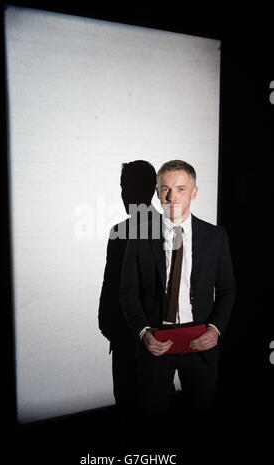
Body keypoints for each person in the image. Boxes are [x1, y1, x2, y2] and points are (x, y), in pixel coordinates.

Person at [119, 160, 236, 450]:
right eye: (166, 190)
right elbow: (127, 290)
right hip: (155, 344)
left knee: (203, 422)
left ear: (194, 192)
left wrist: (216, 329)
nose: (172, 198)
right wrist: (144, 332)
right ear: (156, 192)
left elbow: (227, 289)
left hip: (202, 345)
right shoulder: (137, 235)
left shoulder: (215, 236)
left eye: (180, 189)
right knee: (151, 426)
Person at [98, 160, 159, 449]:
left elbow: (110, 291)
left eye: (125, 187)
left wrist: (112, 329)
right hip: (159, 341)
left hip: (126, 338)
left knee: (129, 413)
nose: (122, 194)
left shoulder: (119, 233)